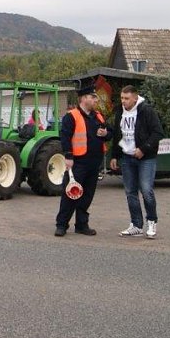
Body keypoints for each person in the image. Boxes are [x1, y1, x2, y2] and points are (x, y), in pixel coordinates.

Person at [54, 84, 112, 237]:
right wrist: (68, 156)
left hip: (94, 162)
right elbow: (65, 137)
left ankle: (81, 224)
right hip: (78, 163)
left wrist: (105, 133)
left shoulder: (98, 116)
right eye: (93, 97)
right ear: (84, 98)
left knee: (87, 195)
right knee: (70, 194)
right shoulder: (71, 116)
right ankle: (61, 225)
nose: (95, 100)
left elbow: (110, 133)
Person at [109, 85, 164, 239]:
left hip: (146, 158)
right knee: (130, 192)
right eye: (121, 98)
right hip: (127, 158)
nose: (123, 101)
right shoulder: (120, 111)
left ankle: (152, 221)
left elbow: (158, 132)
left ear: (135, 97)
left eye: (126, 98)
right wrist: (114, 156)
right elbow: (118, 134)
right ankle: (136, 224)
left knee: (146, 190)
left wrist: (143, 149)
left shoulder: (146, 110)